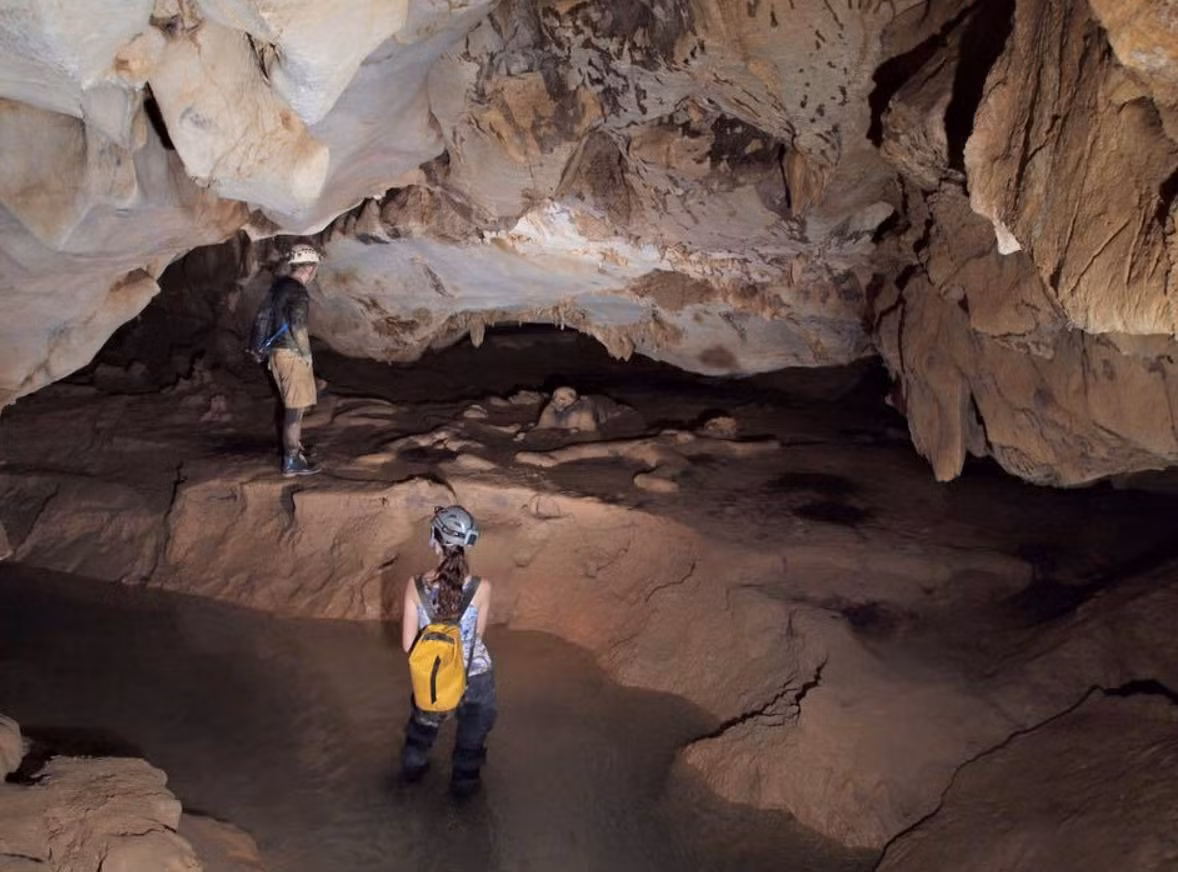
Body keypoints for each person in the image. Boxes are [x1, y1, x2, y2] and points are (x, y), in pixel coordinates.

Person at [400, 505, 496, 797]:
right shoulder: (482, 588)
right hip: (476, 679)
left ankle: (409, 785)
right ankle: (463, 802)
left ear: (435, 540)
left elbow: (408, 645)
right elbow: (476, 637)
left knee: (419, 739)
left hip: (434, 676)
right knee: (469, 750)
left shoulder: (415, 586)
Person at [259, 243, 322, 477]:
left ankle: (296, 450)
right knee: (295, 409)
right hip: (291, 353)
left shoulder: (280, 287)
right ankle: (292, 460)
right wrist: (306, 355)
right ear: (310, 267)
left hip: (276, 353)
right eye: (314, 267)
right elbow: (297, 326)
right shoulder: (298, 291)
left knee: (292, 404)